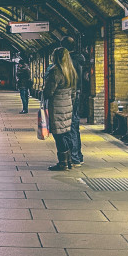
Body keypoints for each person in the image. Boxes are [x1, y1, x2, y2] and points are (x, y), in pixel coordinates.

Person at [42, 47, 78, 171]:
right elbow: (73, 93)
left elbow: (48, 92)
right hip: (68, 106)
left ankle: (63, 163)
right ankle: (70, 161)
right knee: (66, 133)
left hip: (57, 107)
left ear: (56, 57)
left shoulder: (55, 71)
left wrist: (44, 90)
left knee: (59, 135)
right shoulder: (71, 71)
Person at [62, 36, 86, 166]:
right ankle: (78, 155)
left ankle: (75, 157)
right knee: (75, 125)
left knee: (71, 125)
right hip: (78, 92)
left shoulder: (68, 61)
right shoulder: (79, 59)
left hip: (70, 93)